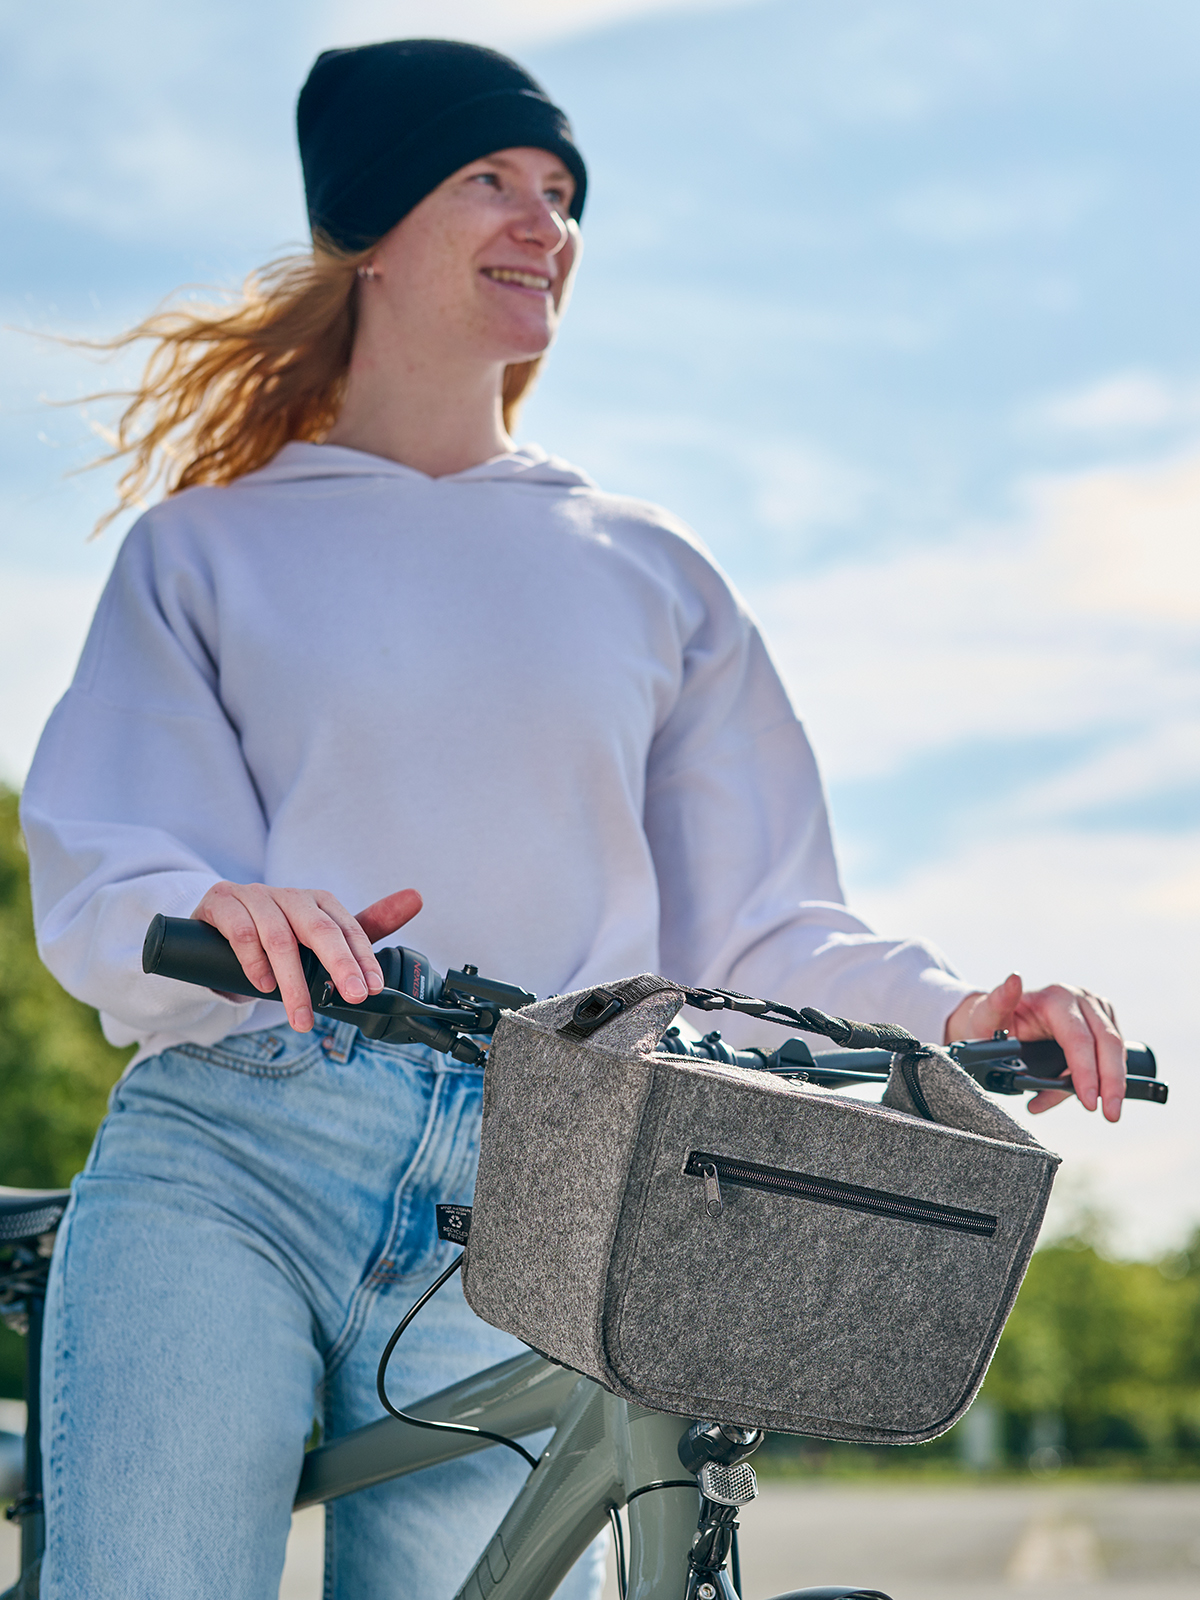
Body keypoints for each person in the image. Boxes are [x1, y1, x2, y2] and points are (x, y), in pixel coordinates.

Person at [19, 38, 1126, 1600]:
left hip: (547, 1191)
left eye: (563, 194)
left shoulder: (647, 570)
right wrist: (228, 907)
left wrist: (947, 1009)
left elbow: (763, 923)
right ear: (374, 231)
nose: (545, 222)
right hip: (237, 1155)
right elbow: (111, 858)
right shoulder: (205, 553)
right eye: (492, 179)